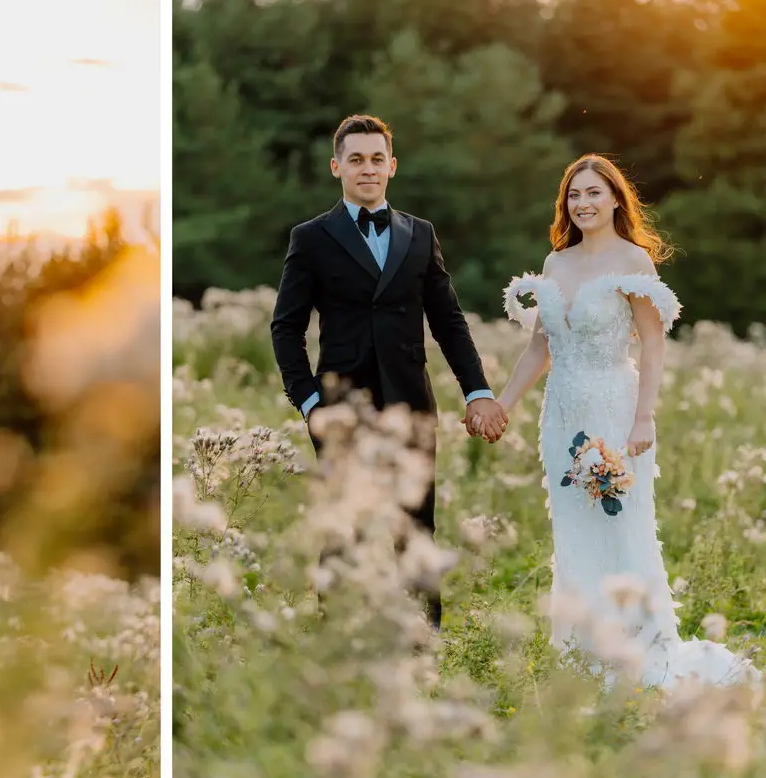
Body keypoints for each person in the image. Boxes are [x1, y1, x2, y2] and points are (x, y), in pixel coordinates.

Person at [494, 153, 760, 689]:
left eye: (594, 193)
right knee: (574, 531)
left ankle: (641, 652)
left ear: (617, 199)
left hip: (616, 412)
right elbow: (538, 348)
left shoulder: (634, 262)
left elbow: (655, 345)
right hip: (561, 415)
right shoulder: (555, 263)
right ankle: (584, 656)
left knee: (623, 527)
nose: (583, 203)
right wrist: (502, 404)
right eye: (574, 194)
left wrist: (644, 418)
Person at [270, 113, 508, 629]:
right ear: (337, 167)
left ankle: (424, 652)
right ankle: (337, 650)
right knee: (343, 532)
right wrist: (310, 403)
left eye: (377, 159)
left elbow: (448, 320)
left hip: (412, 405)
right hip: (341, 410)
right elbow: (285, 328)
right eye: (356, 159)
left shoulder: (420, 235)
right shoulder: (310, 238)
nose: (368, 169)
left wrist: (478, 391)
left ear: (392, 166)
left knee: (417, 528)